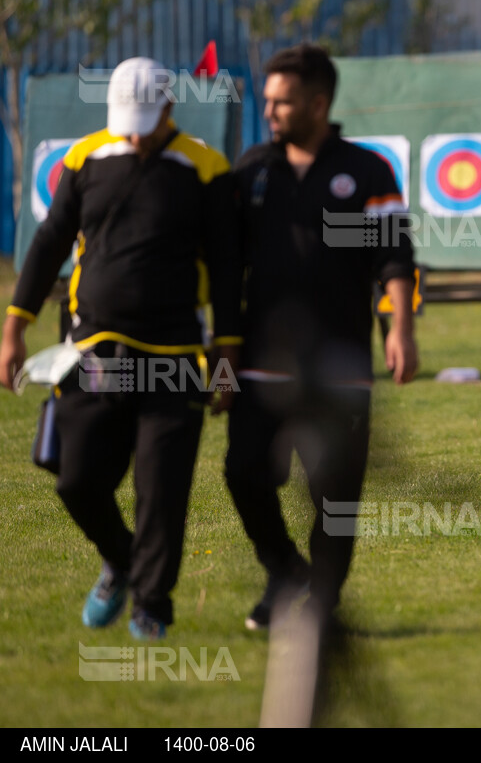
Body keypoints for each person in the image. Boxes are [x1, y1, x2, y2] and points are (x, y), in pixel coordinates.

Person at [0, 56, 242, 640]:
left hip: (176, 355)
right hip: (93, 349)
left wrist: (228, 355)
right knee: (74, 478)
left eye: (147, 118)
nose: (136, 131)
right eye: (126, 119)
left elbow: (229, 270)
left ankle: (152, 605)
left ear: (169, 109)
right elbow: (48, 243)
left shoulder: (205, 166)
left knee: (162, 489)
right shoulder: (85, 158)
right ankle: (122, 561)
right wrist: (14, 326)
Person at [224, 43, 418, 630]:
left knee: (334, 495)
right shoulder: (253, 169)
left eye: (282, 102)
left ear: (318, 102)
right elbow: (227, 265)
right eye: (267, 100)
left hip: (341, 362)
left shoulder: (366, 171)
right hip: (261, 361)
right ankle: (283, 570)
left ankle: (324, 605)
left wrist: (401, 329)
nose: (270, 111)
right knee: (242, 473)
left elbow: (394, 258)